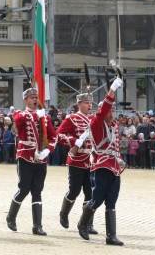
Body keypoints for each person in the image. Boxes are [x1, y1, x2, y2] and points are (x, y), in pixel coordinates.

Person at [77, 77, 125, 245]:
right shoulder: (96, 123)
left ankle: (111, 236)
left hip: (114, 167)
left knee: (111, 200)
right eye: (109, 111)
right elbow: (104, 107)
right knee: (97, 198)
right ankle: (83, 224)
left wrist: (120, 161)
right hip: (101, 165)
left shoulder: (114, 127)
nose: (112, 113)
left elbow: (116, 147)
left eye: (113, 111)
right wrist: (112, 90)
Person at [6, 87, 56, 236]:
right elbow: (18, 120)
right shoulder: (21, 114)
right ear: (25, 100)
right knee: (24, 189)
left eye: (36, 97)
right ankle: (11, 217)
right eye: (32, 97)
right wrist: (36, 116)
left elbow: (54, 136)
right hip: (26, 155)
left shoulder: (45, 117)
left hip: (40, 157)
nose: (35, 99)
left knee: (37, 191)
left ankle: (37, 225)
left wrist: (48, 151)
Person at [56, 91, 98, 234]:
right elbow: (58, 135)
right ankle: (64, 213)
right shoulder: (71, 119)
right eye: (86, 103)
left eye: (91, 103)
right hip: (77, 160)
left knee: (90, 193)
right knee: (74, 190)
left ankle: (87, 223)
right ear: (79, 104)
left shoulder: (93, 120)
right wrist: (74, 141)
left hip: (91, 161)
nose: (89, 105)